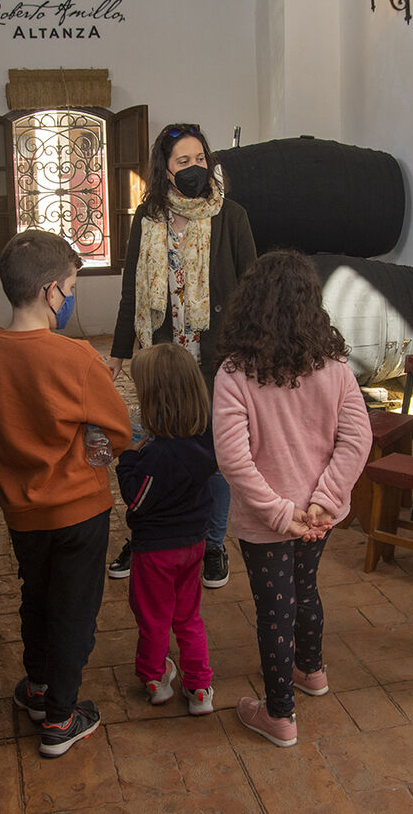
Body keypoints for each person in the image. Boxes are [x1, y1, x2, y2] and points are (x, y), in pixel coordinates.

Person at [0, 229, 131, 758]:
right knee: (74, 612)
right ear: (49, 292)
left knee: (36, 597)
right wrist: (90, 443)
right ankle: (61, 718)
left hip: (22, 514)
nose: (71, 297)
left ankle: (37, 689)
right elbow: (120, 434)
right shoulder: (77, 359)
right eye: (70, 286)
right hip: (79, 513)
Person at [212, 250, 373, 748]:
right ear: (312, 305)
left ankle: (280, 715)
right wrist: (323, 503)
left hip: (269, 521)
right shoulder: (335, 367)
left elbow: (233, 461)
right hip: (318, 517)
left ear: (250, 302)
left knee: (275, 608)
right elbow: (357, 439)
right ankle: (312, 670)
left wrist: (283, 515)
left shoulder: (234, 373)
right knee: (304, 589)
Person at [106, 123, 257, 590]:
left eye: (199, 159)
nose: (194, 168)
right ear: (166, 171)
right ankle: (148, 535)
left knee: (214, 454)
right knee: (157, 448)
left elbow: (252, 289)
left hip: (217, 358)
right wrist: (116, 353)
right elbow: (133, 290)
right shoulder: (147, 218)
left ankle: (211, 545)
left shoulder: (231, 216)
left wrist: (256, 355)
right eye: (182, 161)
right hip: (164, 358)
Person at [115, 343, 218, 715]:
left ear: (154, 399)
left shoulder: (158, 454)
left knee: (154, 617)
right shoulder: (204, 440)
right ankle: (200, 687)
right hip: (193, 544)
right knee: (188, 616)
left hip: (156, 550)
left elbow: (136, 498)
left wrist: (128, 456)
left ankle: (156, 679)